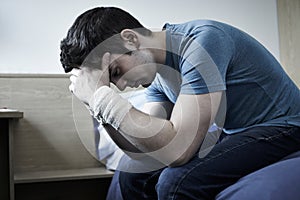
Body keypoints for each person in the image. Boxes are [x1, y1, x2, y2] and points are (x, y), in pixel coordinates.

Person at [59, 7, 300, 200]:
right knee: (130, 174)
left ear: (131, 39)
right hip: (238, 131)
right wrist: (98, 105)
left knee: (177, 181)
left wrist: (103, 98)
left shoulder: (202, 42)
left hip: (286, 125)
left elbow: (178, 151)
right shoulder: (156, 75)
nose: (120, 87)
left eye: (116, 71)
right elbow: (144, 148)